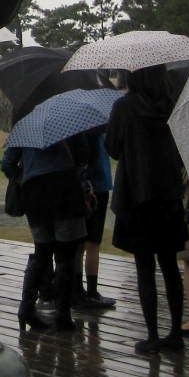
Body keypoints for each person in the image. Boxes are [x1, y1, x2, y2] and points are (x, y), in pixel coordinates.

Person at [106, 65, 189, 355]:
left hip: (137, 193)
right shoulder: (171, 104)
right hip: (168, 193)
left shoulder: (124, 107)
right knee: (170, 266)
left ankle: (152, 334)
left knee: (144, 268)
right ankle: (176, 331)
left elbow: (113, 148)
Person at [1, 131, 94, 331]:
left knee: (42, 252)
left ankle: (26, 308)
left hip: (35, 192)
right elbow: (84, 156)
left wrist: (24, 176)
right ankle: (63, 314)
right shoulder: (69, 122)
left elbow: (7, 164)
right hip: (65, 190)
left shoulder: (25, 127)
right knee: (66, 256)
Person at [76, 130, 116, 310]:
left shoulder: (74, 128)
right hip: (98, 186)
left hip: (77, 187)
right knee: (93, 243)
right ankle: (92, 291)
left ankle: (76, 290)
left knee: (78, 242)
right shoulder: (99, 127)